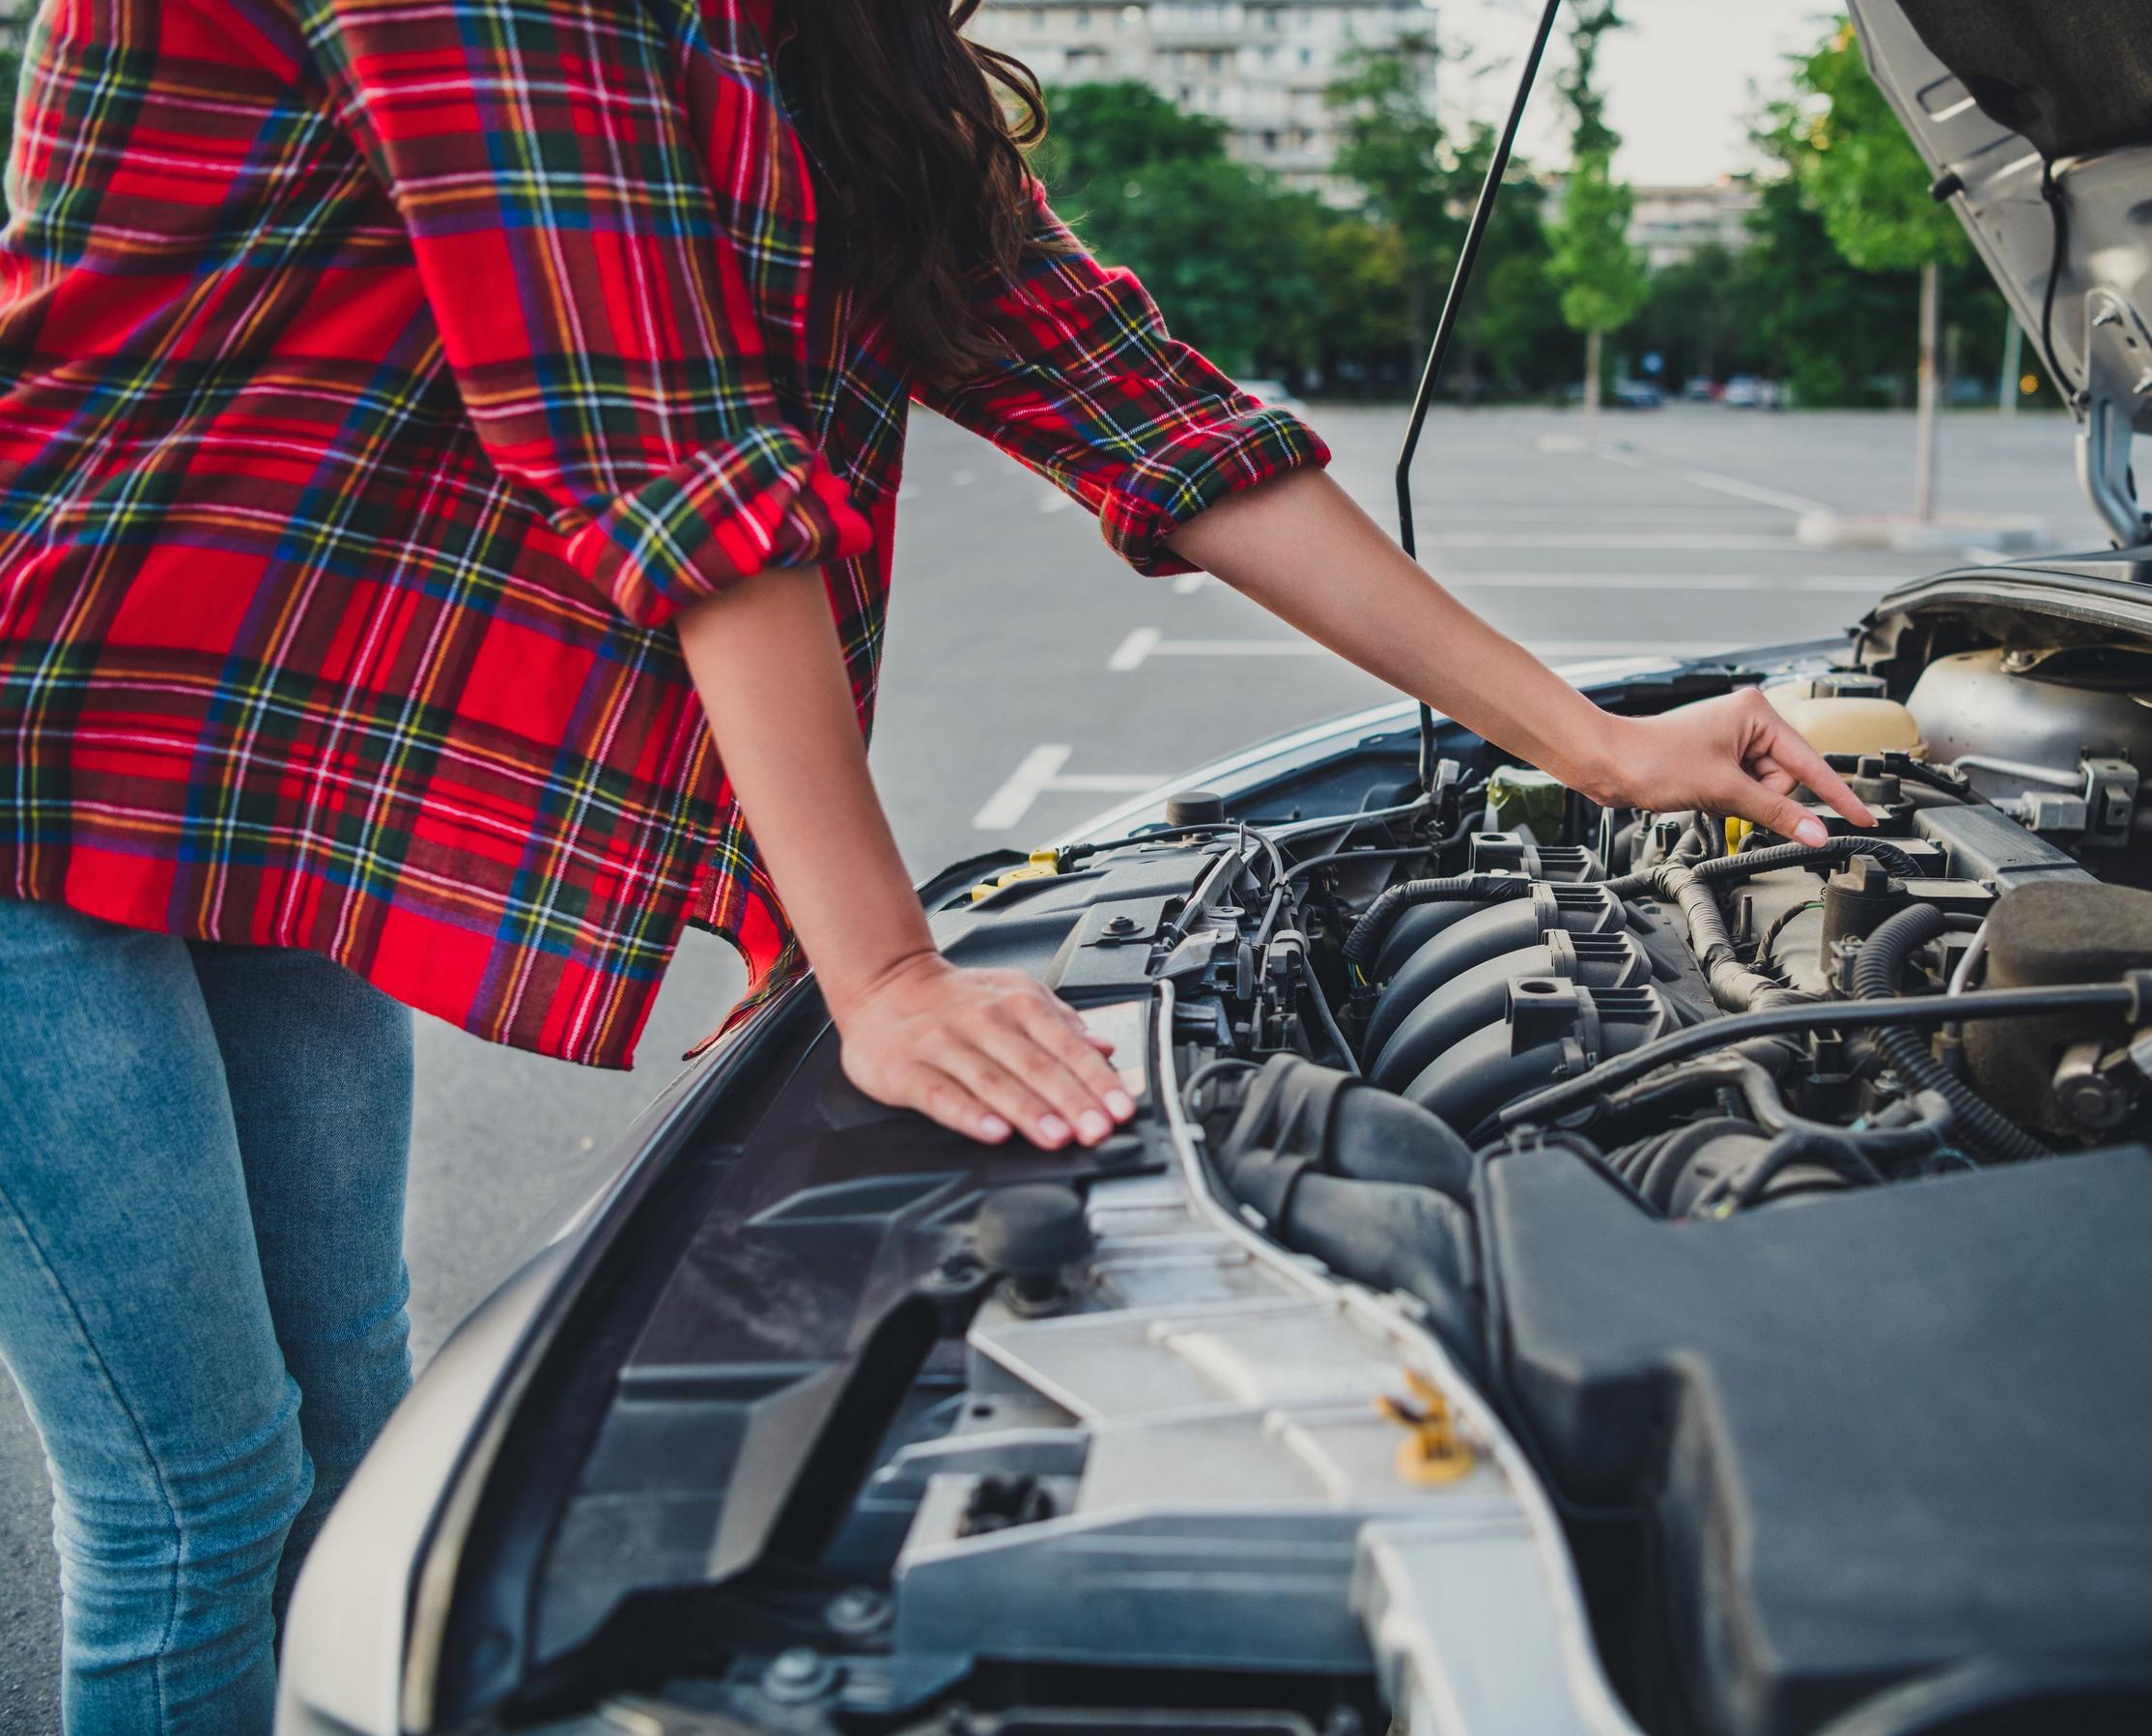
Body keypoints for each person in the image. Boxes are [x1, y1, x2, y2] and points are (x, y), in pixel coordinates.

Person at [0, 0, 1875, 1724]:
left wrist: (1598, 743)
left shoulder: (826, 41)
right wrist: (881, 971)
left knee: (344, 1419)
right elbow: (662, 440)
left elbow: (1149, 411)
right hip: (34, 724)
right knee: (201, 1496)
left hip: (226, 777)